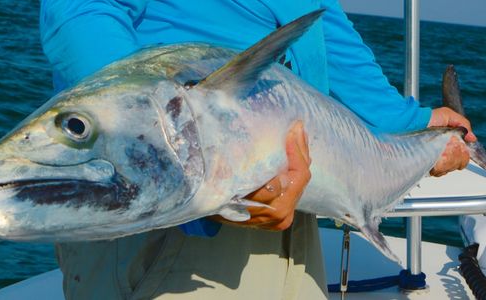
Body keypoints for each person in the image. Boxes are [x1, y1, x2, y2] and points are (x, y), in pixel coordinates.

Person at [39, 0, 475, 299]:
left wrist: (417, 125)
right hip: (166, 220)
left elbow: (317, 24)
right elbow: (83, 13)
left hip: (289, 211)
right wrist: (176, 164)